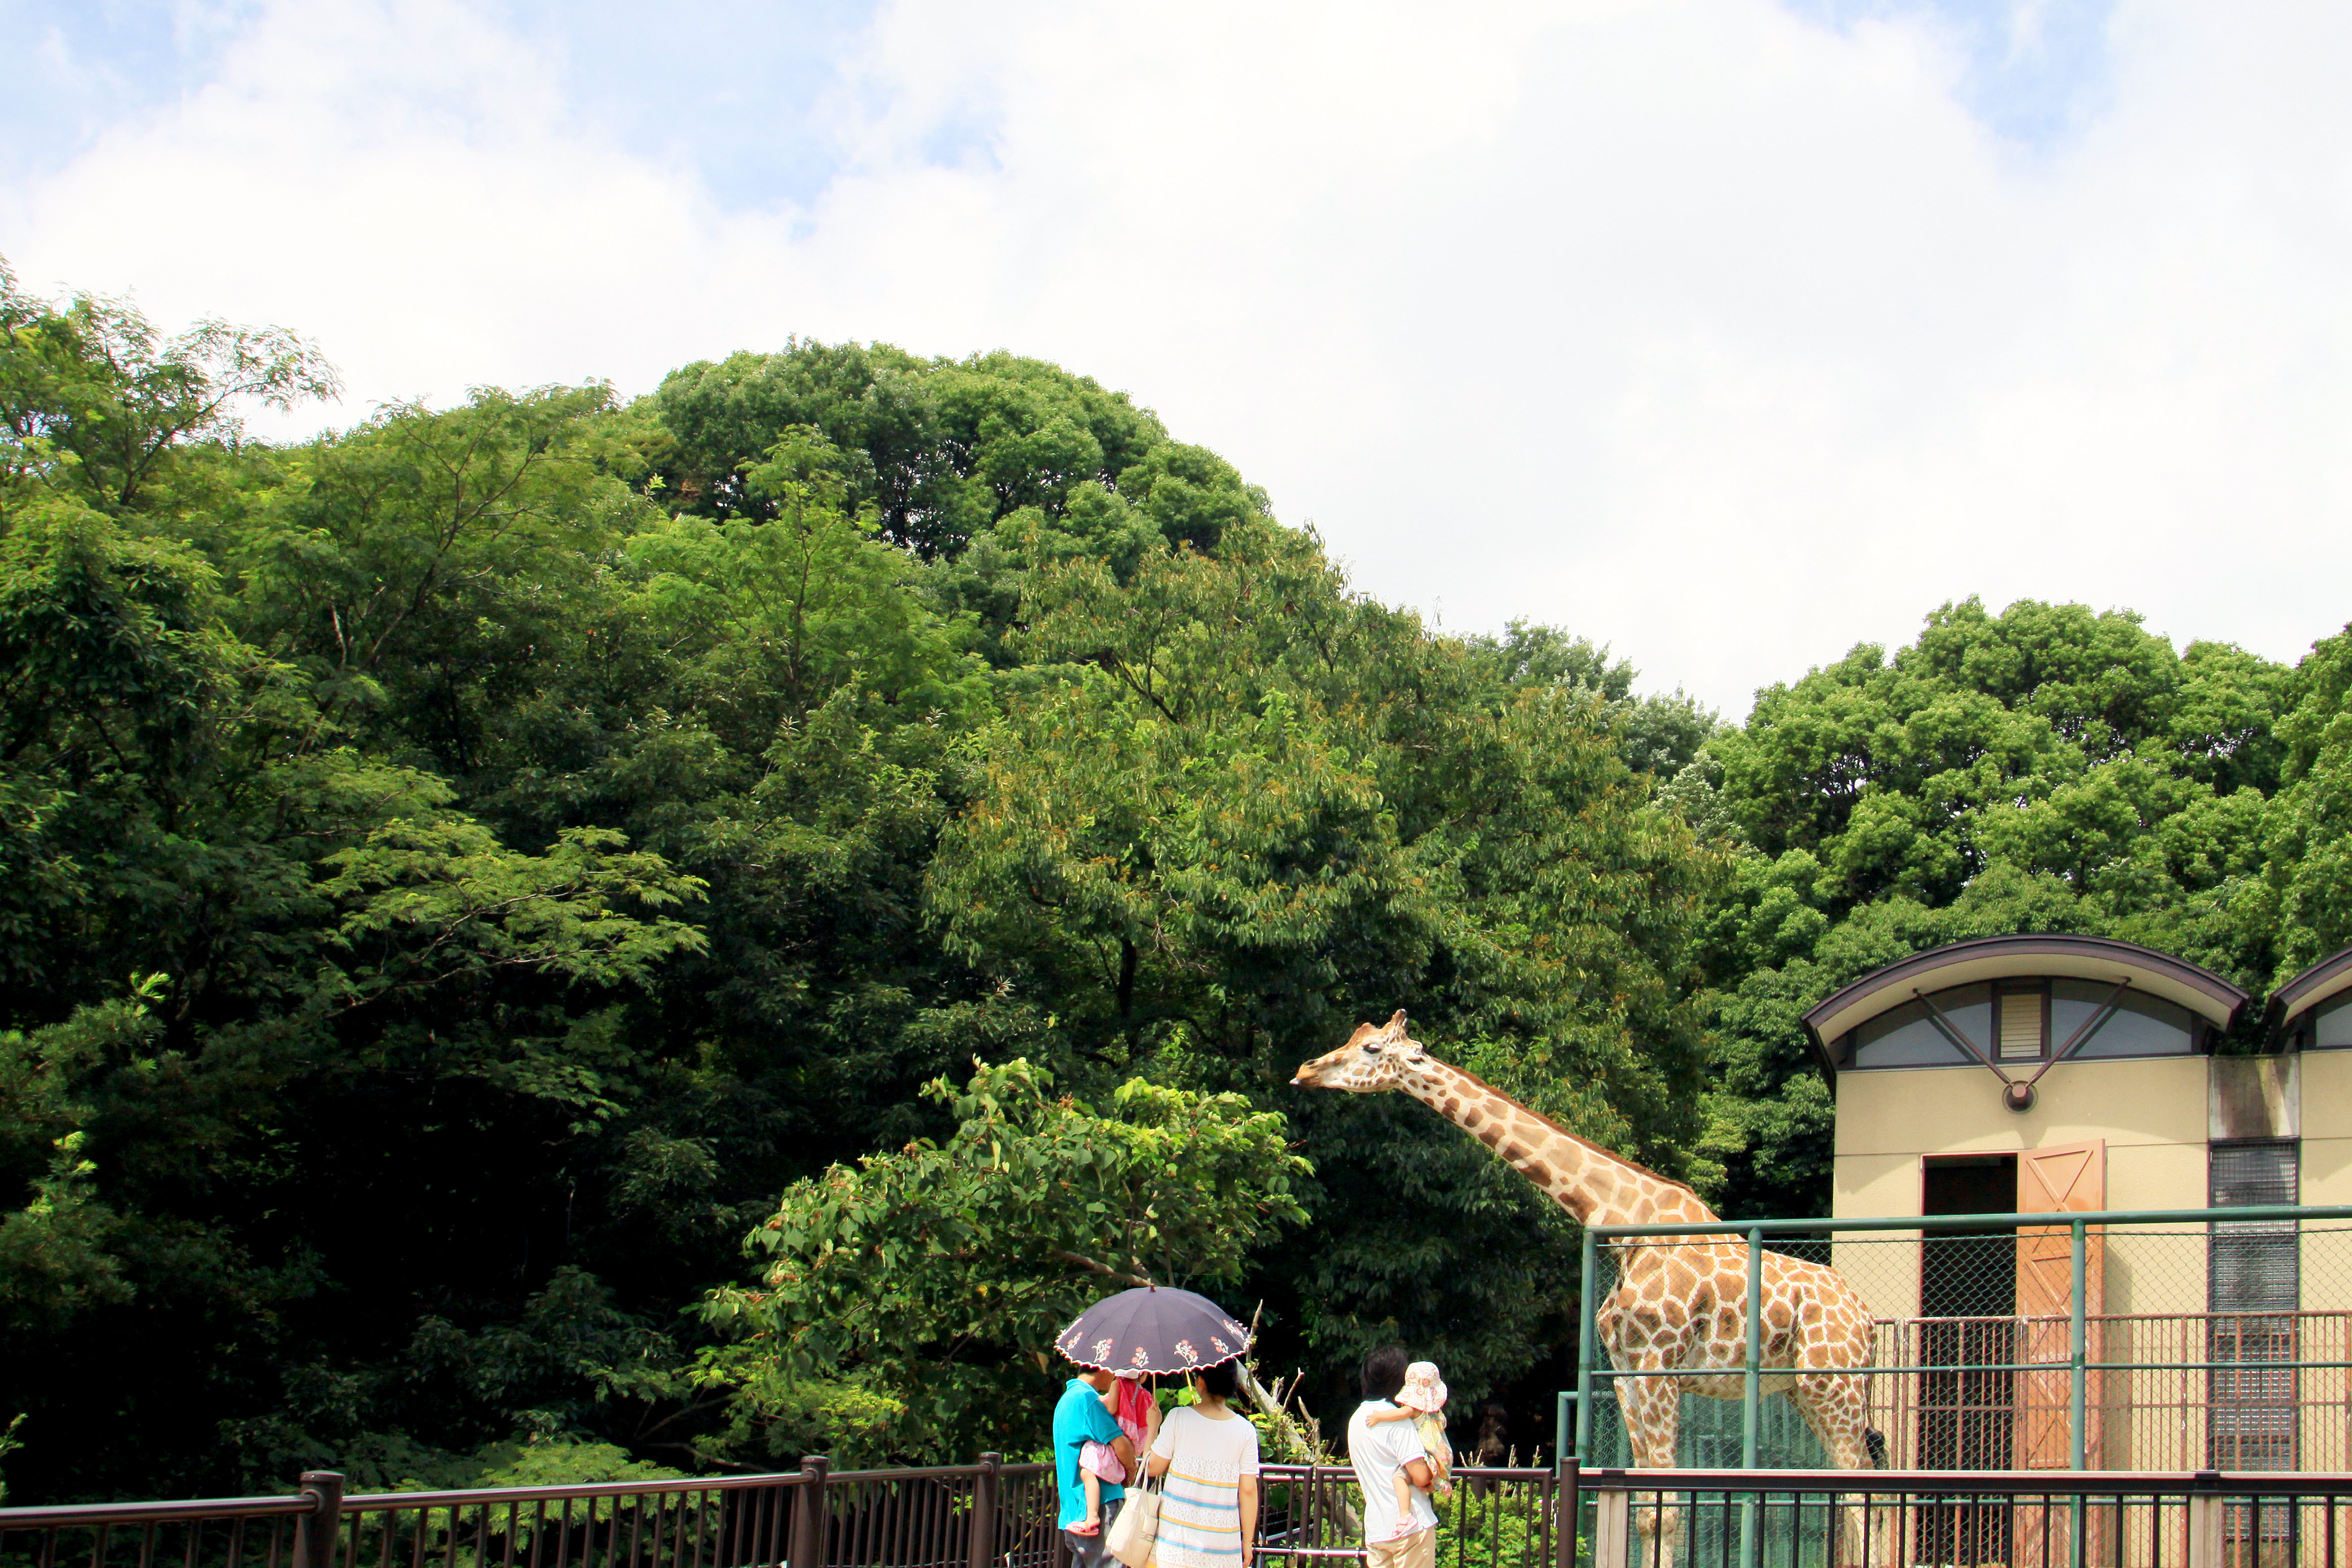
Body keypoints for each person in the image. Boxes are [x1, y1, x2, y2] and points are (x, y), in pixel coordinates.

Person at [1145, 1358, 1263, 1568]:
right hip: (1223, 1548)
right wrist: (1247, 1543)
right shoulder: (1245, 1431)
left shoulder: (1178, 1418)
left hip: (1175, 1545)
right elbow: (1248, 1491)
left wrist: (1153, 1426)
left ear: (1201, 1383)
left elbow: (1152, 1468)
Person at [1347, 1346, 1437, 1568]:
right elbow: (1421, 1477)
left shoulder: (1357, 1420)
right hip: (1411, 1529)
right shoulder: (1397, 1421)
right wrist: (1436, 1465)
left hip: (1377, 1530)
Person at [1057, 1366, 1137, 1568]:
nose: (1115, 1376)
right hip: (1100, 1503)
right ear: (1102, 1368)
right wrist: (1132, 1469)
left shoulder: (1067, 1399)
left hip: (1074, 1507)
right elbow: (1121, 1445)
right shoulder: (1087, 1399)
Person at [1361, 1360, 1453, 1527]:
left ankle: (1405, 1515)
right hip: (1436, 1453)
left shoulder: (1413, 1408)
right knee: (1418, 1480)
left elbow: (1401, 1413)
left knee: (1398, 1478)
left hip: (1427, 1456)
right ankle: (1440, 1482)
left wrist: (1379, 1417)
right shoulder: (1431, 1412)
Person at [1071, 1372, 1161, 1535]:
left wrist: (1101, 1403)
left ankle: (1092, 1516)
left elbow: (1111, 1408)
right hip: (1136, 1440)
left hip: (1118, 1438)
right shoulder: (1146, 1395)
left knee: (1087, 1472)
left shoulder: (1117, 1385)